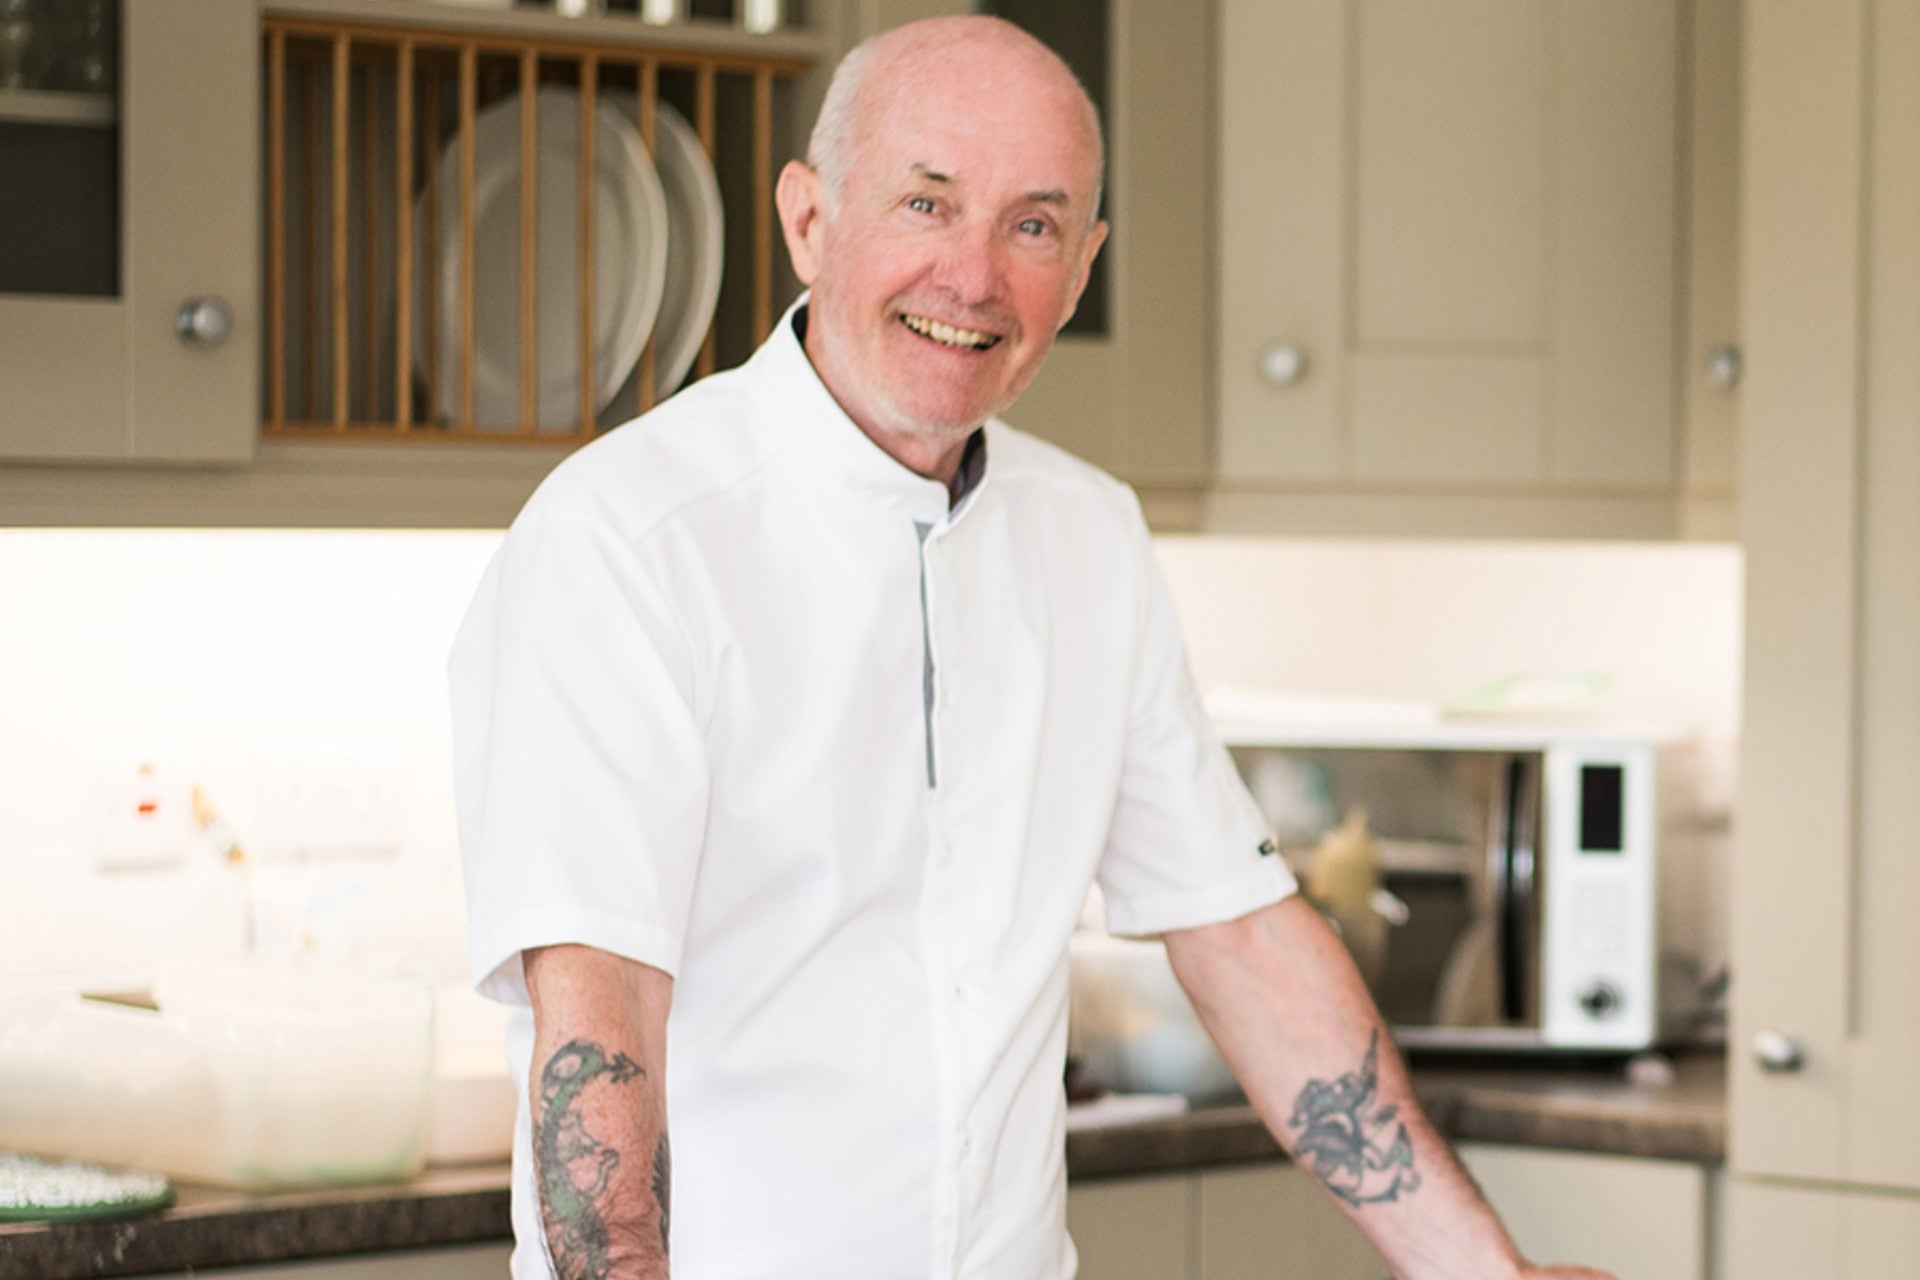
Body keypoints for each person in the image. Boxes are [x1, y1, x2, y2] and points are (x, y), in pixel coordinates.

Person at [449, 15, 1617, 1280]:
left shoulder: (1090, 536)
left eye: (1034, 226)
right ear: (809, 219)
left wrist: (1486, 1271)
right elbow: (602, 1020)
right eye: (927, 202)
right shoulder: (625, 540)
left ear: (1084, 263)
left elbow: (1242, 938)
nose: (974, 276)